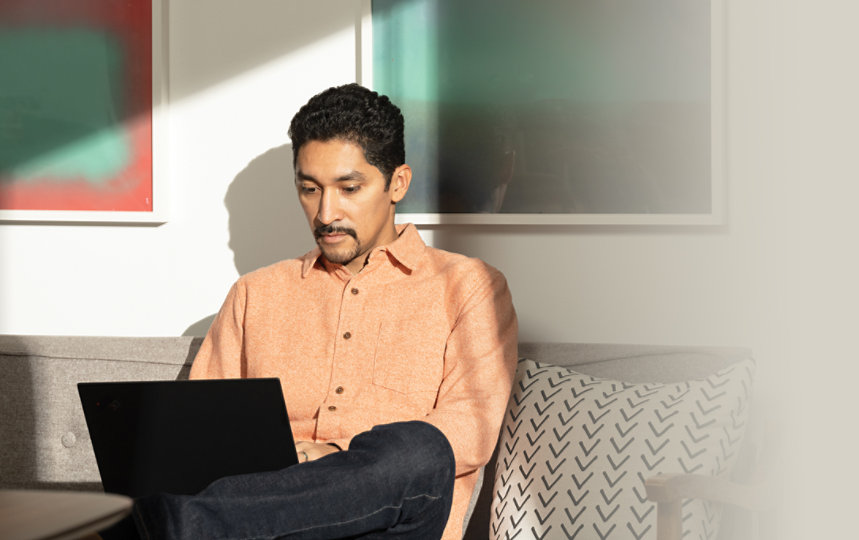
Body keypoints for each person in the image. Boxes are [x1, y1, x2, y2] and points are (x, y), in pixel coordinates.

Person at [119, 83, 518, 539]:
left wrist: (329, 456)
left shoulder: (470, 288)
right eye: (309, 189)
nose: (326, 213)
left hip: (390, 527)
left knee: (423, 450)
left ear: (398, 183)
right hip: (263, 528)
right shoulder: (255, 294)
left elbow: (471, 430)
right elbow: (205, 437)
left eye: (349, 188)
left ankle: (159, 529)